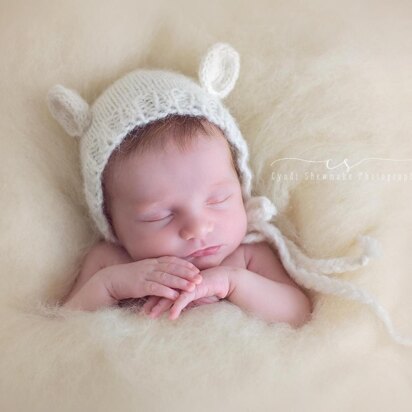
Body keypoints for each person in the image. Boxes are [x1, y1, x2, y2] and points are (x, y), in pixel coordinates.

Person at [47, 42, 411, 344]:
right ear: (111, 220)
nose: (198, 226)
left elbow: (299, 314)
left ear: (240, 187)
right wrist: (109, 288)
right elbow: (60, 334)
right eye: (159, 215)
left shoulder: (247, 259)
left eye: (218, 199)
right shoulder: (110, 263)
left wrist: (234, 284)